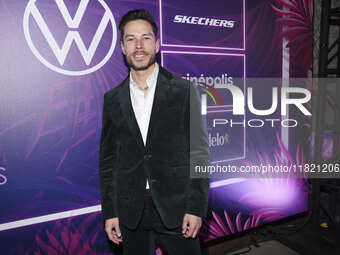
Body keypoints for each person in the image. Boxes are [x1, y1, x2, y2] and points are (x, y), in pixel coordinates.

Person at [98, 9, 210, 255]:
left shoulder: (183, 90)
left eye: (146, 38)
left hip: (178, 208)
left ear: (157, 44)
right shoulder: (112, 99)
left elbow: (199, 152)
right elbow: (108, 161)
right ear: (122, 48)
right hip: (130, 211)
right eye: (131, 39)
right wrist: (111, 211)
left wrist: (196, 207)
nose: (139, 46)